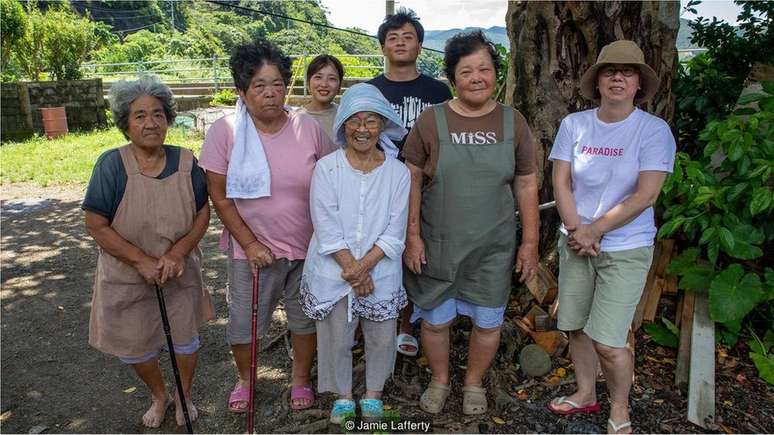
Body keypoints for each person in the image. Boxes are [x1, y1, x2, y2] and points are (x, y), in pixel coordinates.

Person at [402, 30, 540, 415]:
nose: (477, 77)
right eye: (467, 71)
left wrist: (529, 243)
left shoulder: (515, 123)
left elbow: (527, 183)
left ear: (497, 73)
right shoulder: (432, 121)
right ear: (453, 78)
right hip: (438, 243)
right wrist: (412, 237)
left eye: (484, 69)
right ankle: (440, 378)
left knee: (488, 321)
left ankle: (473, 382)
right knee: (435, 321)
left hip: (493, 246)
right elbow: (411, 180)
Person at [198, 40, 336, 413]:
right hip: (251, 253)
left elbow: (333, 176)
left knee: (304, 320)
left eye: (277, 83)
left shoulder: (306, 127)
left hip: (308, 248)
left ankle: (301, 380)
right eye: (259, 85)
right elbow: (220, 196)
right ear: (242, 90)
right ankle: (246, 380)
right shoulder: (226, 131)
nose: (270, 93)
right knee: (245, 325)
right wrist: (250, 242)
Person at [547, 40, 676, 434]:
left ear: (639, 84)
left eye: (628, 71)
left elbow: (646, 194)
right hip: (575, 241)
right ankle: (586, 392)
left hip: (625, 247)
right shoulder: (575, 125)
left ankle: (620, 407)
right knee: (575, 325)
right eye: (609, 71)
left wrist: (594, 230)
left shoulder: (653, 130)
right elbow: (561, 182)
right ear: (598, 81)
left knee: (609, 340)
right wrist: (577, 231)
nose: (618, 77)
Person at [83, 75, 214, 428]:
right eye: (139, 115)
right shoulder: (111, 165)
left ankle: (183, 395)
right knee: (136, 345)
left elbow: (203, 212)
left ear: (169, 118)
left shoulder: (187, 162)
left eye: (158, 114)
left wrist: (179, 253)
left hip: (179, 270)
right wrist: (141, 260)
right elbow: (95, 223)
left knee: (185, 340)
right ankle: (159, 394)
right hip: (127, 274)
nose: (150, 123)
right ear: (125, 123)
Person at [300, 83, 410, 424]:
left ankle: (373, 394)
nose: (362, 129)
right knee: (336, 336)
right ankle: (344, 396)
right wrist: (352, 268)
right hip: (334, 269)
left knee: (381, 335)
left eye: (371, 121)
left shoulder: (398, 172)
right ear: (344, 126)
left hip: (380, 269)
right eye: (354, 121)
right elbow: (325, 224)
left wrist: (364, 268)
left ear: (382, 125)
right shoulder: (327, 168)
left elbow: (396, 229)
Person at [368, 7, 453, 357]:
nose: (401, 43)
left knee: (419, 251)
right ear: (383, 47)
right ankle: (374, 323)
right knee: (378, 250)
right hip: (378, 186)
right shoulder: (369, 89)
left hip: (430, 187)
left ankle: (411, 324)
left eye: (408, 37)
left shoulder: (438, 90)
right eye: (393, 38)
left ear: (420, 45)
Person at [298, 54, 344, 142]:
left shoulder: (344, 117)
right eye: (318, 77)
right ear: (308, 82)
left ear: (339, 86)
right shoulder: (296, 119)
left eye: (332, 78)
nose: (324, 84)